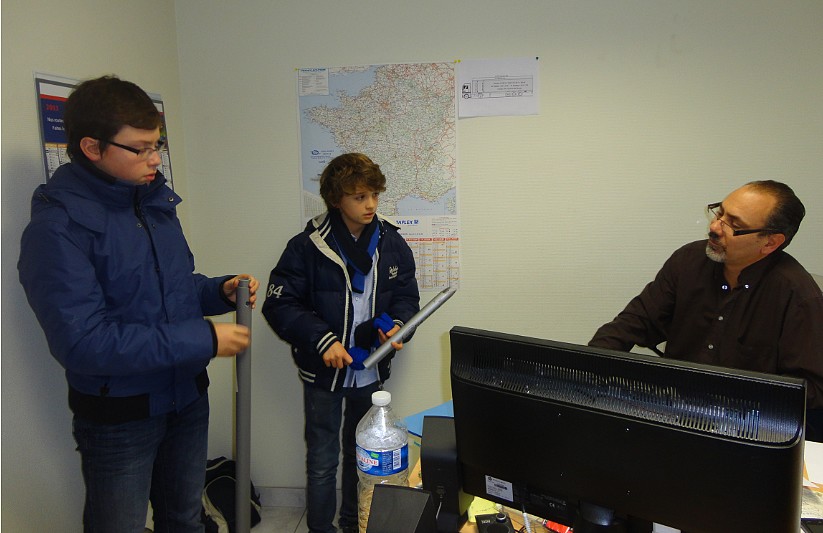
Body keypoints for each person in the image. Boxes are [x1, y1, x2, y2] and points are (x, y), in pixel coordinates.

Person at [17, 75, 259, 533]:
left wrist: (217, 291)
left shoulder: (151, 202)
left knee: (184, 519)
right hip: (121, 416)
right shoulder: (57, 229)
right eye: (141, 148)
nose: (154, 159)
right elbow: (84, 343)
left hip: (186, 396)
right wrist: (205, 338)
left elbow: (171, 290)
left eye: (157, 145)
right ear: (92, 147)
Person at [589, 180, 823, 440]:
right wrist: (588, 373)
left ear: (770, 243)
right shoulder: (688, 261)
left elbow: (812, 389)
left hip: (749, 430)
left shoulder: (799, 296)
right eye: (719, 213)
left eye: (733, 225)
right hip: (673, 413)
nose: (714, 227)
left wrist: (742, 401)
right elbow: (633, 323)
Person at [262, 153, 420, 533]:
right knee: (322, 460)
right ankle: (320, 528)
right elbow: (280, 303)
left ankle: (353, 525)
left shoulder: (392, 242)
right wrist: (322, 340)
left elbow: (406, 298)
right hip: (324, 372)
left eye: (374, 195)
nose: (370, 205)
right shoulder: (306, 246)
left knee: (361, 455)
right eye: (359, 197)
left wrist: (396, 328)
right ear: (336, 199)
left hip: (370, 369)